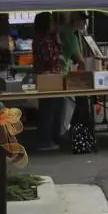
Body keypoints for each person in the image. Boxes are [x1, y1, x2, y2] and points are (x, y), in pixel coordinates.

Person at [33, 11, 64, 151]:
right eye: (51, 21)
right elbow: (49, 59)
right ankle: (45, 140)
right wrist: (60, 58)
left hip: (49, 77)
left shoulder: (43, 38)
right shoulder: (44, 40)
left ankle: (49, 137)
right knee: (49, 109)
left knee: (50, 108)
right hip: (48, 77)